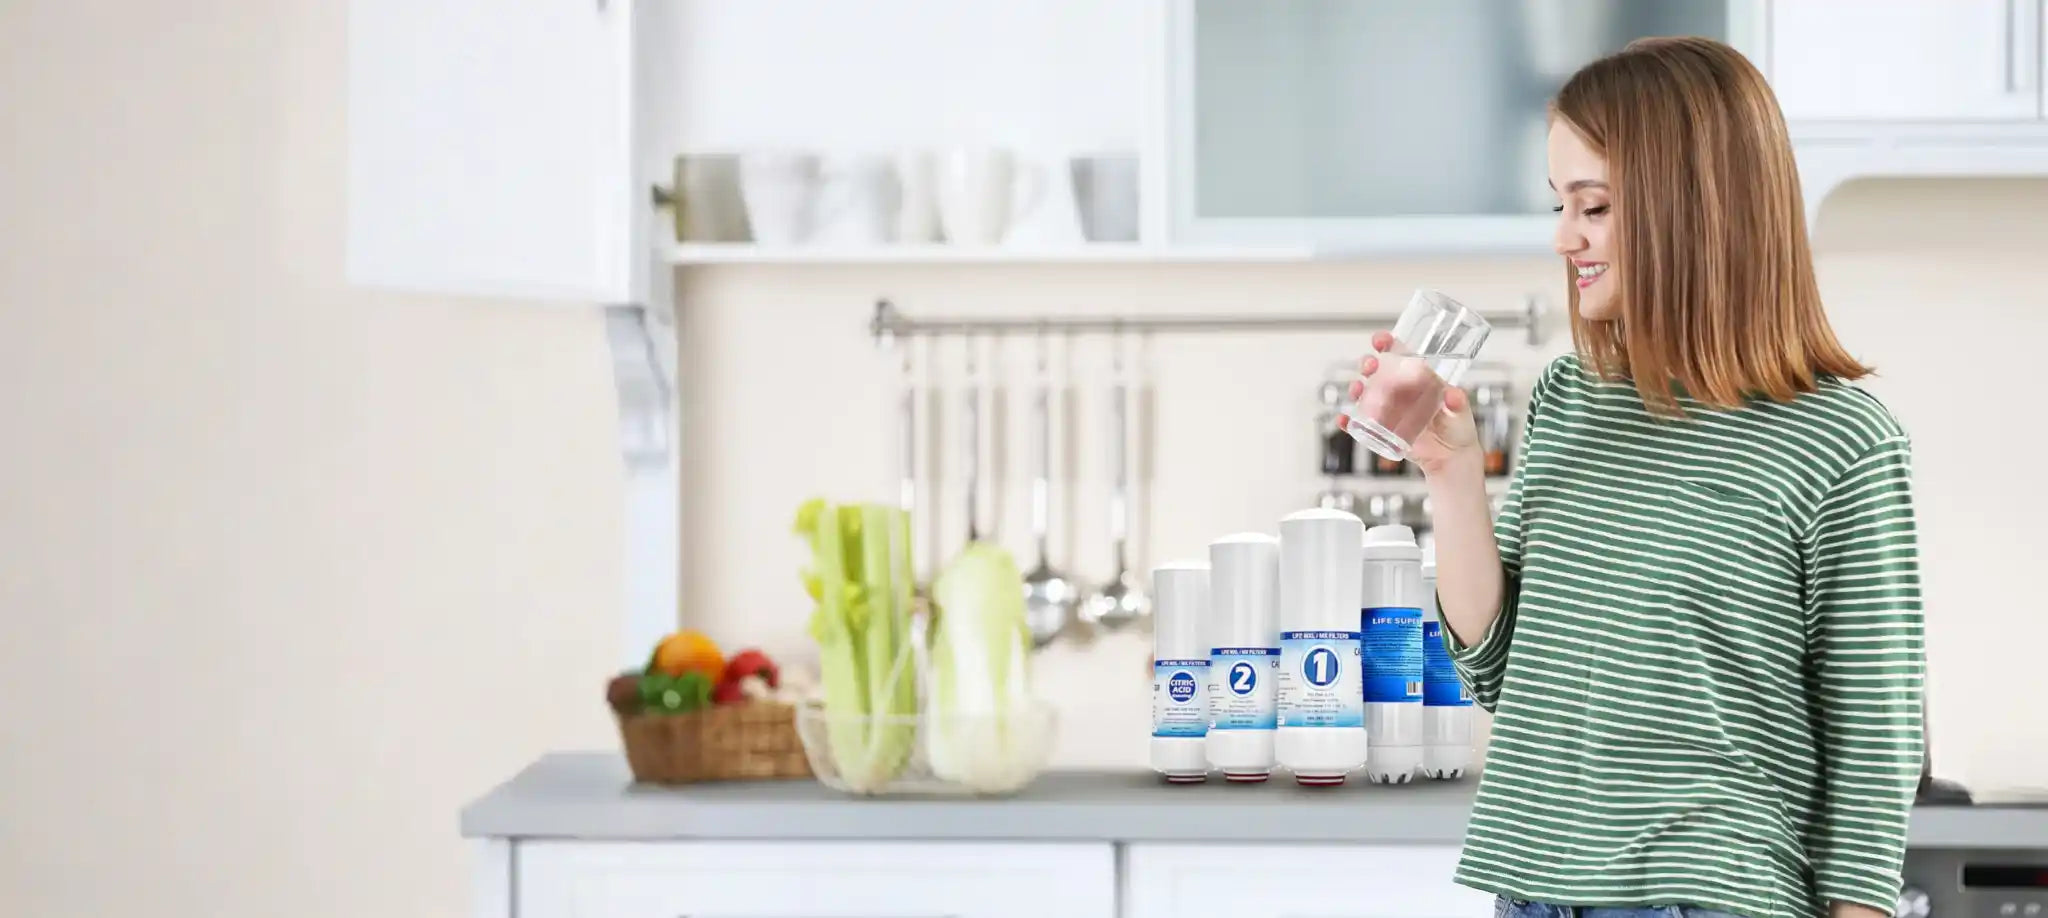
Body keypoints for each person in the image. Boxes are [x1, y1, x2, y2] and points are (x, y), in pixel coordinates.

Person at [1345, 36, 1925, 918]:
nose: (1563, 237)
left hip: (1706, 896)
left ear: (1694, 206)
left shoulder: (1841, 441)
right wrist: (1453, 472)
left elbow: (1873, 751)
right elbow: (1498, 672)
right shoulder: (1570, 399)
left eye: (1596, 206)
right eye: (1559, 204)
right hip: (1534, 889)